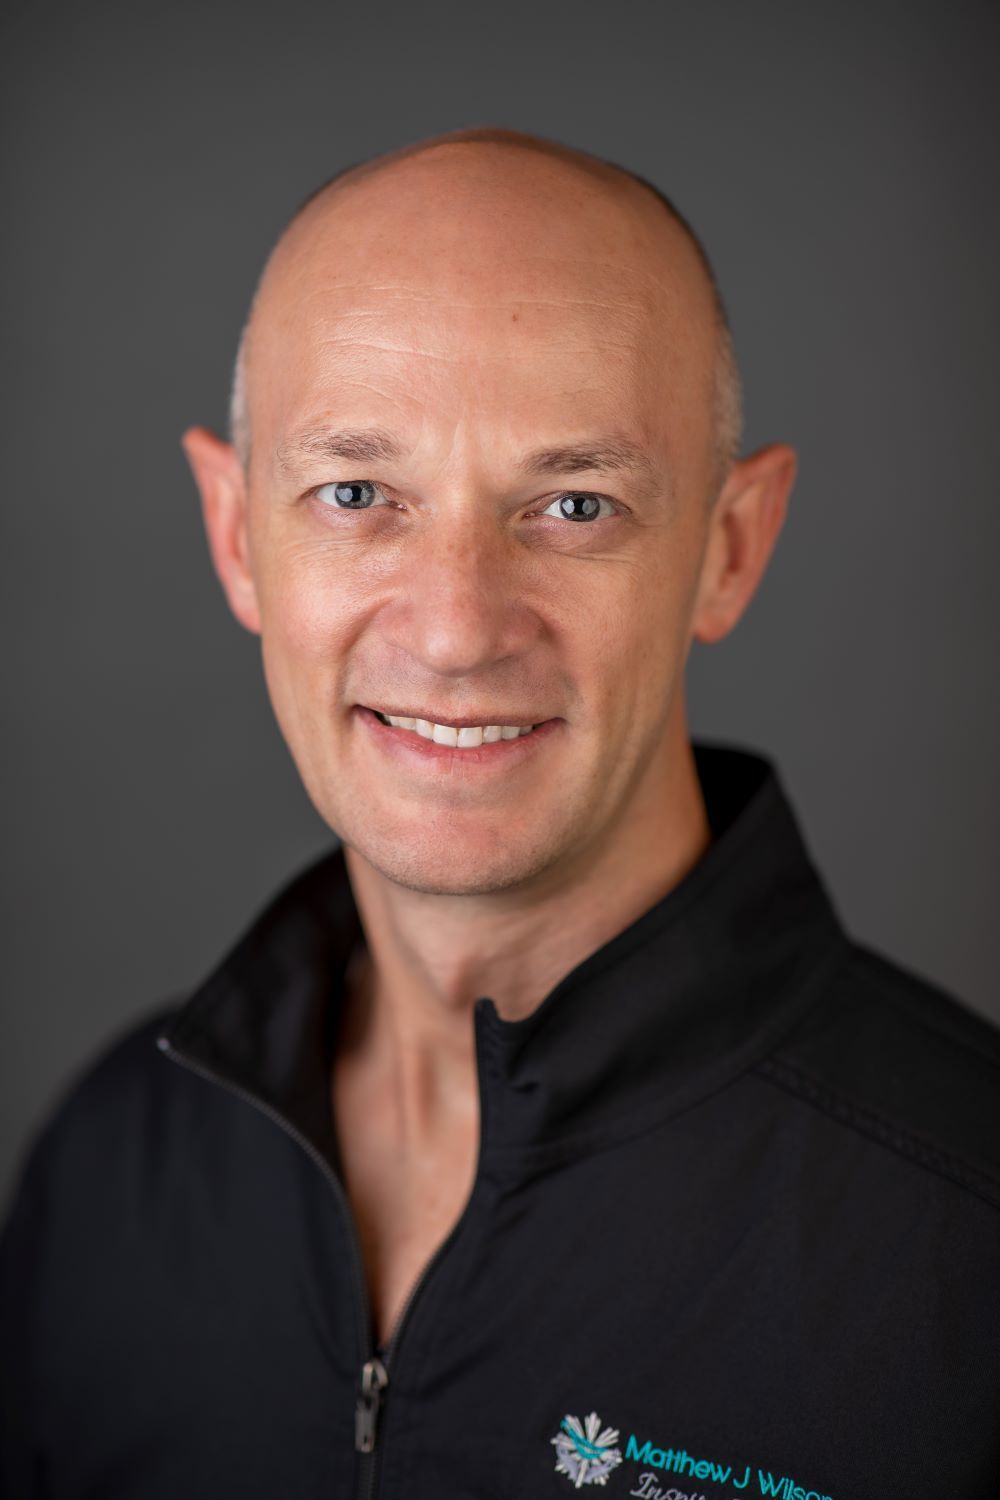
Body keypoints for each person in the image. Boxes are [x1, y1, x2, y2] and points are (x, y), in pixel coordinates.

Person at [1, 127, 998, 1500]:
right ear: (239, 536)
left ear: (728, 548)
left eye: (574, 503)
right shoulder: (116, 1173)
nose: (459, 626)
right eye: (358, 495)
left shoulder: (966, 1247)